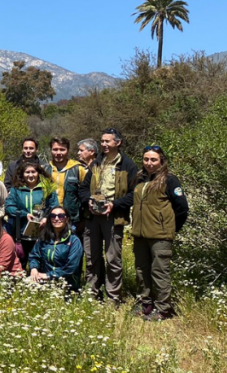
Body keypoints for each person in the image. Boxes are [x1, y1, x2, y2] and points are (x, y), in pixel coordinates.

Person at [130, 146, 189, 321]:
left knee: (159, 272)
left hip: (160, 236)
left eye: (153, 159)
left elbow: (182, 208)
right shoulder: (139, 179)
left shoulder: (169, 180)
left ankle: (163, 309)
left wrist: (170, 228)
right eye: (146, 159)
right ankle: (145, 304)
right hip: (140, 235)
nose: (149, 163)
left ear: (161, 161)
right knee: (141, 271)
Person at [83, 127, 138, 305]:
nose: (104, 144)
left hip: (114, 217)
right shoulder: (97, 163)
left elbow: (133, 194)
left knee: (113, 258)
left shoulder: (128, 165)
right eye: (102, 141)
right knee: (92, 257)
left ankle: (113, 297)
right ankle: (92, 293)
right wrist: (89, 201)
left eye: (108, 141)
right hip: (93, 217)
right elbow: (83, 189)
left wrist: (114, 205)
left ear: (118, 142)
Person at [4, 162, 58, 268]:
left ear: (38, 173)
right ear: (22, 174)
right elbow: (9, 207)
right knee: (20, 263)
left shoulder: (47, 188)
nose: (30, 175)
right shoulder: (16, 189)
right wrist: (24, 214)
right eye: (27, 172)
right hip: (21, 233)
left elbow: (55, 206)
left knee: (42, 262)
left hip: (42, 232)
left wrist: (47, 218)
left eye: (33, 172)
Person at [28, 207, 83, 291]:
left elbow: (71, 267)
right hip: (46, 282)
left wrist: (48, 275)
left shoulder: (74, 241)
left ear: (67, 219)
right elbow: (34, 255)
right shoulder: (44, 238)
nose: (56, 219)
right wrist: (34, 268)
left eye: (61, 216)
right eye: (53, 216)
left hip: (67, 285)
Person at [45, 137, 88, 232]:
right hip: (50, 218)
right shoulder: (44, 170)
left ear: (68, 151)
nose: (58, 153)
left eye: (62, 149)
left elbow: (87, 193)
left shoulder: (78, 169)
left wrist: (85, 217)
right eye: (55, 149)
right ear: (51, 150)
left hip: (72, 220)